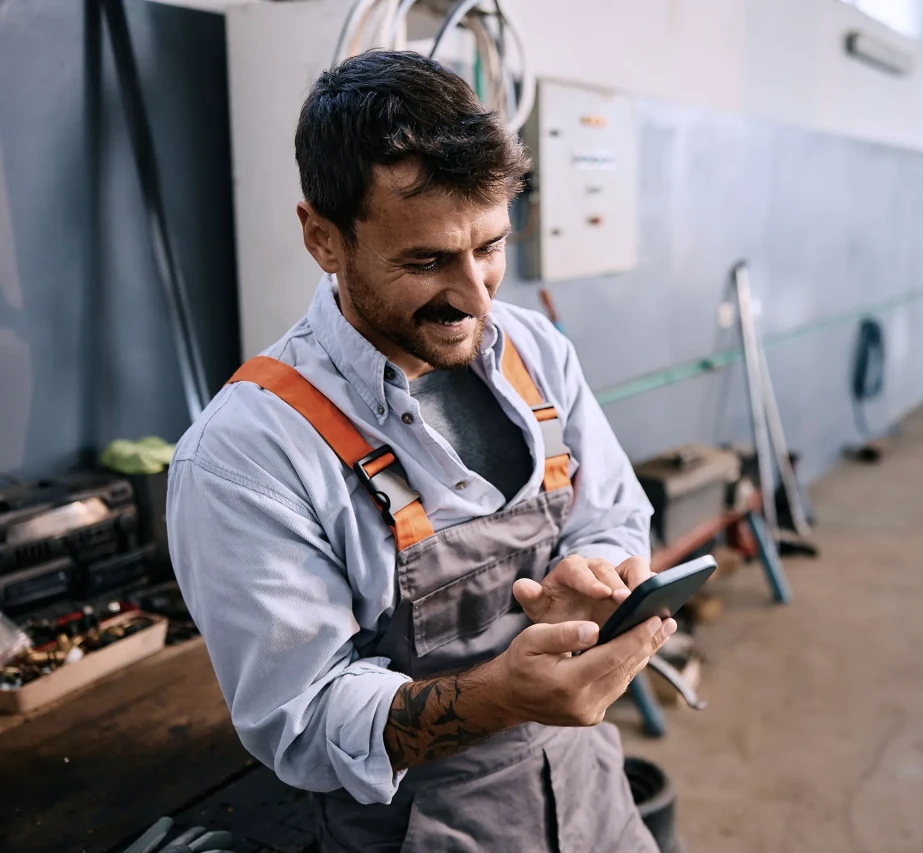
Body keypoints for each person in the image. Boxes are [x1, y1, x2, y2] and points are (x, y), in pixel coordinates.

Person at [167, 51, 671, 852]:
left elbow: (611, 513)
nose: (476, 298)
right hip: (421, 828)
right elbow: (300, 720)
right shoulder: (248, 453)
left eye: (491, 247)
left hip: (590, 793)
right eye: (427, 260)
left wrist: (599, 574)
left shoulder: (535, 349)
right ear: (323, 238)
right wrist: (500, 696)